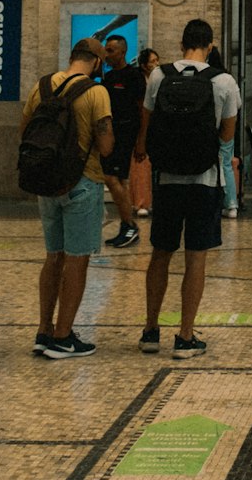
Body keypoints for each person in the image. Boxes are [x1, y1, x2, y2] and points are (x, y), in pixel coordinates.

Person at [134, 18, 240, 358]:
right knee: (196, 258)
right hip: (205, 180)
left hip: (167, 180)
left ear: (182, 44)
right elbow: (227, 134)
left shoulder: (159, 75)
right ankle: (185, 336)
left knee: (160, 253)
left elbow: (147, 123)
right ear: (210, 46)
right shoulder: (224, 81)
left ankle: (151, 331)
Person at [22, 37, 114, 359]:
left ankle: (44, 331)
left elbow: (25, 132)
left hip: (47, 184)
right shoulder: (96, 91)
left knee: (53, 256)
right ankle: (63, 337)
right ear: (97, 61)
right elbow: (105, 146)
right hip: (82, 183)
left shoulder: (42, 86)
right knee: (78, 259)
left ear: (73, 56)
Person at [101, 33, 145, 248]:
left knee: (111, 178)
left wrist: (141, 141)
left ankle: (129, 224)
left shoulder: (133, 76)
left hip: (127, 134)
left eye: (111, 50)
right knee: (120, 181)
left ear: (123, 51)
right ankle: (127, 227)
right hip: (111, 134)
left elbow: (142, 109)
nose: (107, 54)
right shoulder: (108, 78)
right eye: (105, 50)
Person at [209, 44, 239, 218]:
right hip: (227, 126)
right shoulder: (227, 78)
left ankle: (216, 201)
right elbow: (238, 103)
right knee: (226, 164)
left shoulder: (205, 78)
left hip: (209, 128)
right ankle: (231, 203)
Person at [128, 47, 158, 216]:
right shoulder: (138, 80)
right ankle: (140, 202)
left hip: (152, 127)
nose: (156, 64)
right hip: (139, 127)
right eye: (152, 61)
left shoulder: (157, 79)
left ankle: (146, 200)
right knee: (140, 164)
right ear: (144, 65)